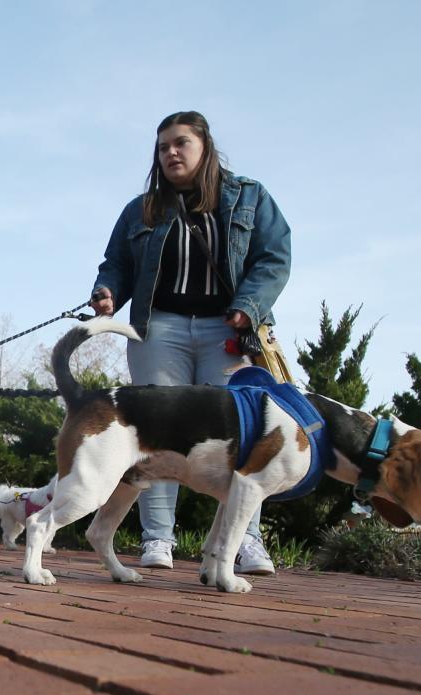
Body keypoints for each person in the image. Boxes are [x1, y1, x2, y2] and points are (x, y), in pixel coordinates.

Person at [91, 111, 291, 575]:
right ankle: (158, 539)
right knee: (157, 433)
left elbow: (274, 258)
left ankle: (245, 542)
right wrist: (107, 293)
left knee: (241, 436)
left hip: (230, 327)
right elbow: (116, 263)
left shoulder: (250, 197)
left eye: (180, 143)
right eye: (162, 148)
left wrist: (248, 305)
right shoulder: (142, 209)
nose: (171, 153)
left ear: (206, 147)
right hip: (159, 327)